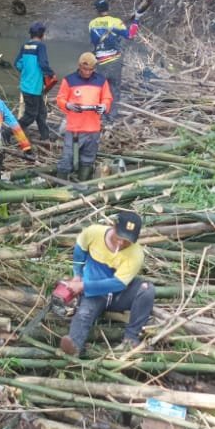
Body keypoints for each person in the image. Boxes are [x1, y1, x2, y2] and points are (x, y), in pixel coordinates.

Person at [58, 209, 154, 356]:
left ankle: (131, 338)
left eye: (127, 240)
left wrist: (83, 285)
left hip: (118, 294)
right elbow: (79, 251)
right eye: (120, 236)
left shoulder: (136, 254)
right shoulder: (93, 233)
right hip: (94, 292)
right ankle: (74, 346)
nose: (122, 242)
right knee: (84, 314)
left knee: (146, 289)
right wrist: (77, 275)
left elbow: (118, 284)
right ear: (114, 226)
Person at [54, 52, 112, 181]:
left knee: (88, 159)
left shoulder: (101, 81)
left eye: (91, 70)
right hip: (74, 128)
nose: (87, 72)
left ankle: (83, 183)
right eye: (85, 69)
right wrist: (67, 105)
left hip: (93, 128)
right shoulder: (69, 80)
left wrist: (104, 106)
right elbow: (60, 99)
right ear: (79, 66)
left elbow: (107, 98)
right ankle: (60, 186)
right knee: (67, 157)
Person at [14, 21, 56, 141]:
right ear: (42, 35)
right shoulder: (40, 46)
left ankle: (45, 136)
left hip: (27, 86)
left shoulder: (25, 46)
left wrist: (27, 71)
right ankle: (9, 132)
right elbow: (43, 63)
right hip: (34, 88)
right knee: (30, 116)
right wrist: (51, 73)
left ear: (30, 34)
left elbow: (17, 64)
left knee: (41, 112)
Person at [87, 0, 130, 103]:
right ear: (108, 8)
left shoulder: (92, 24)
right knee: (114, 88)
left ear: (97, 10)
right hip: (115, 61)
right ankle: (111, 116)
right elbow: (130, 35)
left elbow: (94, 41)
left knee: (100, 88)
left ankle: (101, 113)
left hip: (100, 61)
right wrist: (136, 20)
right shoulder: (116, 22)